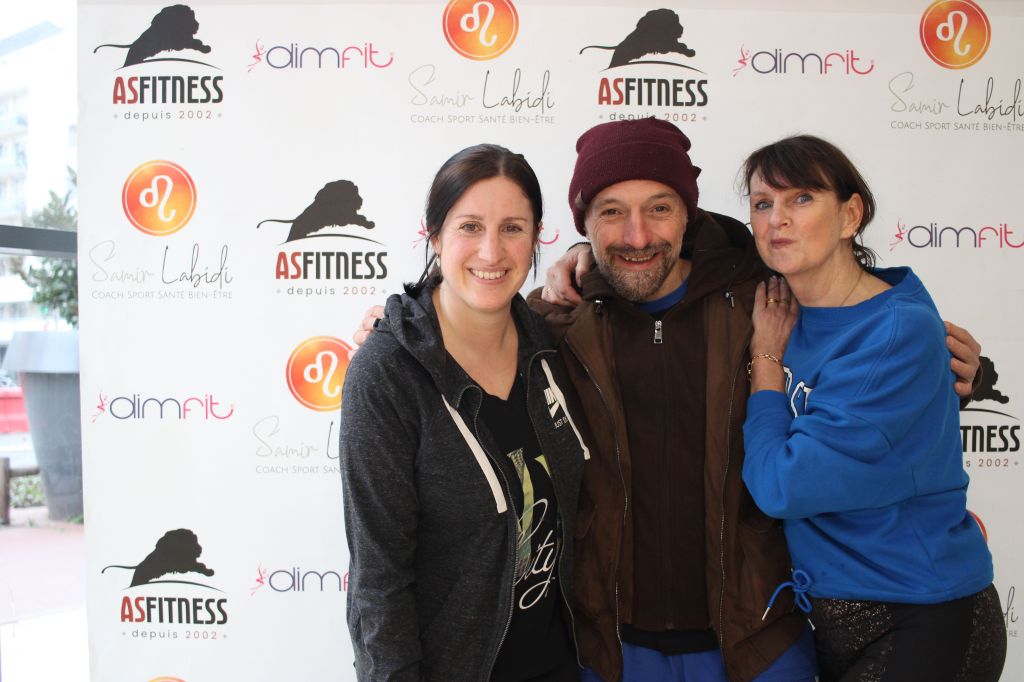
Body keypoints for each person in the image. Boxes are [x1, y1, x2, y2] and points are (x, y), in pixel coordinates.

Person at [354, 119, 983, 681]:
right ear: (581, 227)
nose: (637, 235)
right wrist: (401, 330)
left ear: (690, 217)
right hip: (610, 651)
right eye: (610, 213)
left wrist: (954, 365)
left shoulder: (764, 299)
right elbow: (465, 321)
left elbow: (863, 331)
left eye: (659, 208)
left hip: (759, 643)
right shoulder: (554, 328)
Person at [739, 134, 1006, 682]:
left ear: (850, 215)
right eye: (763, 203)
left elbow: (781, 485)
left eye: (802, 198)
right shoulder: (787, 304)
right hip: (829, 618)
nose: (777, 219)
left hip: (921, 616)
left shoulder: (894, 331)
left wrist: (765, 363)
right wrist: (579, 255)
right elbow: (676, 237)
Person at [339, 144, 588, 682]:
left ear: (537, 238)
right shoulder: (387, 374)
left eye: (513, 228)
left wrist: (585, 250)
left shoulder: (547, 344)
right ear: (434, 236)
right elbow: (379, 581)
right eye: (470, 227)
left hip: (561, 666)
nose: (491, 251)